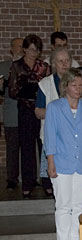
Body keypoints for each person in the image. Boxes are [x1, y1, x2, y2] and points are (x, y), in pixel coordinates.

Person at [44, 68, 82, 240]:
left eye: (80, 84)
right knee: (63, 205)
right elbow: (50, 136)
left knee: (80, 206)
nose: (77, 88)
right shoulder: (54, 107)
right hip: (61, 162)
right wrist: (50, 162)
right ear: (65, 86)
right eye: (73, 84)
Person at [8, 34, 51, 199]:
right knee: (26, 147)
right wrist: (24, 89)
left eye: (37, 50)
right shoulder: (17, 66)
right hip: (25, 110)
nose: (34, 53)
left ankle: (47, 182)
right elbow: (12, 91)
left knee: (44, 146)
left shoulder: (44, 67)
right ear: (25, 49)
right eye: (31, 49)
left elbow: (50, 87)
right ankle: (28, 183)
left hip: (42, 109)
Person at [35, 47, 79, 197]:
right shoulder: (45, 84)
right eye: (60, 61)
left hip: (75, 136)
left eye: (67, 60)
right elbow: (38, 112)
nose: (64, 64)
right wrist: (58, 112)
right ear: (53, 63)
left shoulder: (79, 83)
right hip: (53, 135)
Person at [0, 37, 23, 190]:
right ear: (11, 49)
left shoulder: (30, 67)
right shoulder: (3, 67)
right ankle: (12, 178)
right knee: (13, 147)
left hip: (27, 111)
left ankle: (31, 177)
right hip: (11, 111)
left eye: (23, 46)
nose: (21, 49)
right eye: (18, 46)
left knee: (30, 147)